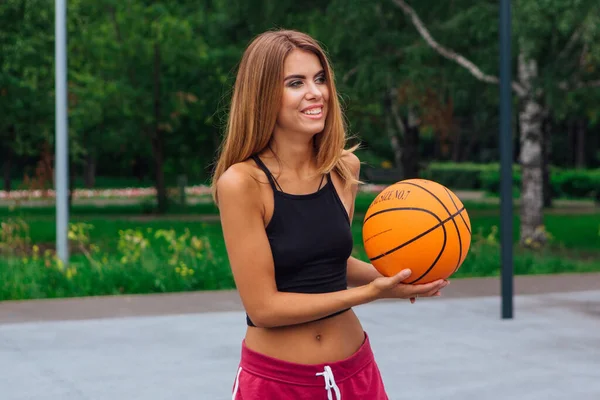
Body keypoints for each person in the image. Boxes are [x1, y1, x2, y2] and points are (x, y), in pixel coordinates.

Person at [211, 29, 449, 400]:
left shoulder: (343, 169)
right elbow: (265, 308)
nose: (315, 92)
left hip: (356, 373)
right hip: (277, 383)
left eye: (320, 79)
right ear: (262, 96)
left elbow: (329, 262)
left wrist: (395, 280)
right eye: (296, 82)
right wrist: (370, 293)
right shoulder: (242, 183)